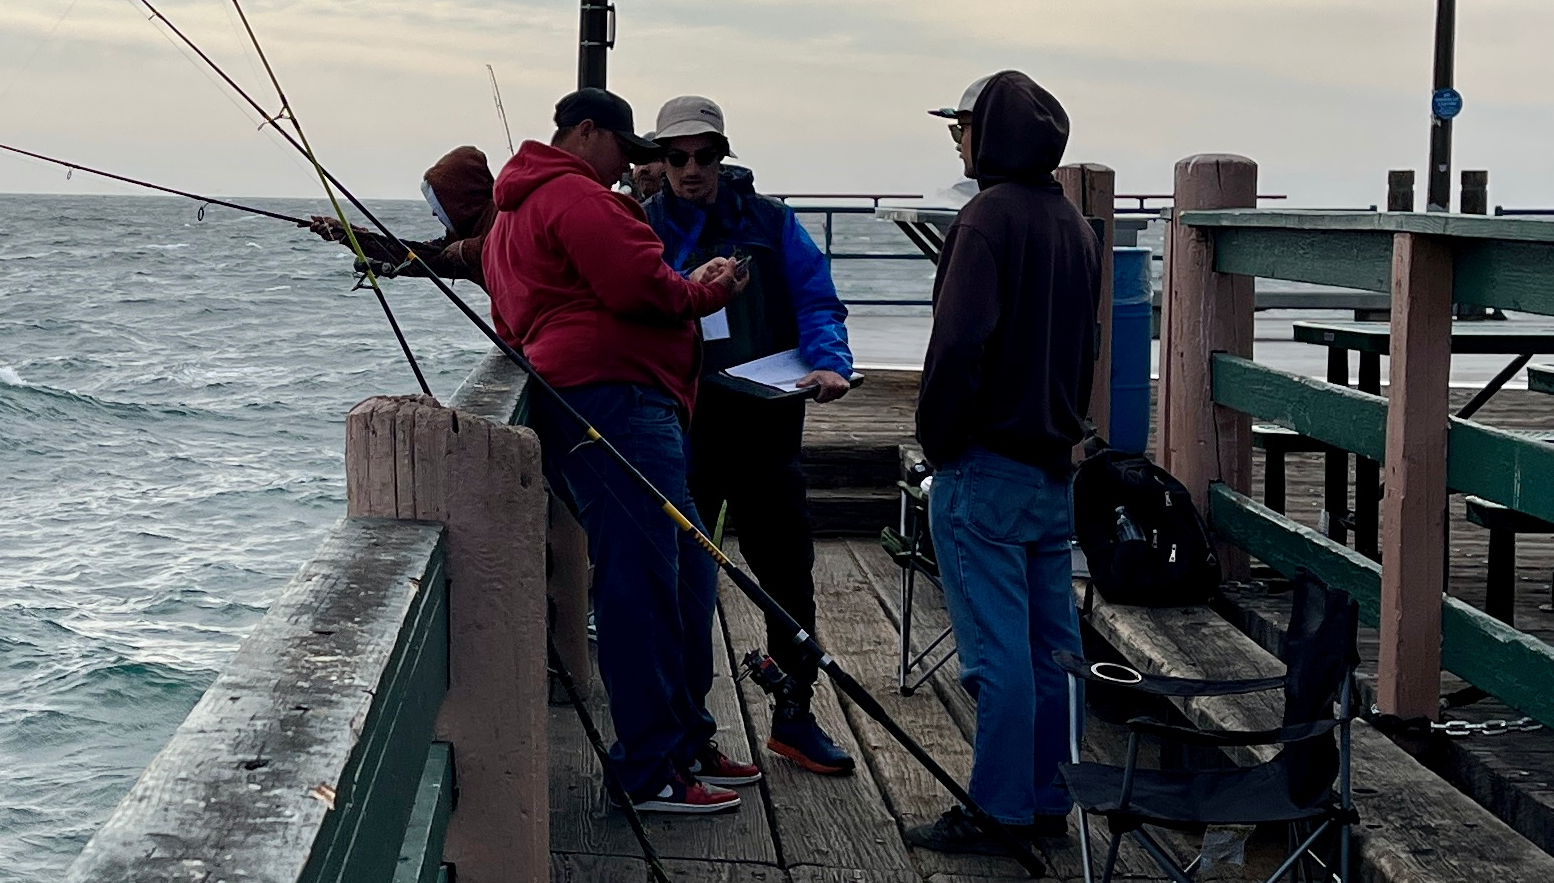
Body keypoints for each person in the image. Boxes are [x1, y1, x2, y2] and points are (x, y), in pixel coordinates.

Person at [482, 87, 758, 814]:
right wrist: (710, 289)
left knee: (685, 566)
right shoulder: (576, 197)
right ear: (585, 131)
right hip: (620, 407)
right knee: (640, 585)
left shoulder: (513, 214)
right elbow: (639, 288)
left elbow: (518, 312)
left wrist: (679, 284)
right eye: (621, 150)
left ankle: (685, 737)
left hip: (591, 404)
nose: (623, 169)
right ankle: (648, 768)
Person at [904, 71, 1101, 854]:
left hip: (984, 464)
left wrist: (939, 439)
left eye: (962, 127)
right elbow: (1083, 346)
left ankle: (998, 810)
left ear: (989, 135)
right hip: (1053, 466)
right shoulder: (1074, 226)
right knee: (1055, 648)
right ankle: (1051, 798)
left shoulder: (985, 218)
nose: (958, 140)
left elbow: (957, 344)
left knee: (996, 654)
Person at [643, 95, 856, 776]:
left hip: (769, 426)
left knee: (788, 574)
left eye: (704, 155)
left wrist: (828, 361)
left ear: (723, 155)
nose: (691, 169)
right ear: (660, 161)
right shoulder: (641, 230)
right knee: (681, 585)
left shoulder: (772, 224)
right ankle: (687, 730)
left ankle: (794, 712)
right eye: (676, 157)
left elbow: (818, 298)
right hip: (685, 428)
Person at [310, 145, 496, 287]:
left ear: (460, 199)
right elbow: (416, 256)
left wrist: (467, 250)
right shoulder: (460, 236)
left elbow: (514, 249)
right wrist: (351, 235)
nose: (434, 213)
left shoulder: (502, 220)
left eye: (441, 204)